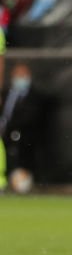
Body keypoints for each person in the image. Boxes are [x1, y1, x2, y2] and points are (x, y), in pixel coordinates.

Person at [0, 62, 46, 193]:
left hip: (23, 138)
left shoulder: (35, 97)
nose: (20, 78)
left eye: (23, 75)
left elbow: (29, 119)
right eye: (17, 75)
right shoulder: (4, 93)